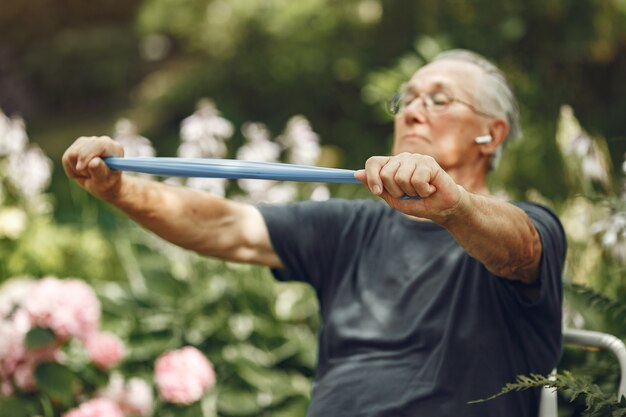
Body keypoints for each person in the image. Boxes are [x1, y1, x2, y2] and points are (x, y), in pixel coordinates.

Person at [63, 49, 566, 417]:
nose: (413, 111)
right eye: (408, 99)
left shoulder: (527, 227)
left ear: (490, 134)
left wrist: (454, 205)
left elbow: (516, 250)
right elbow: (225, 225)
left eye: (439, 99)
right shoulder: (351, 227)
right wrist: (118, 191)